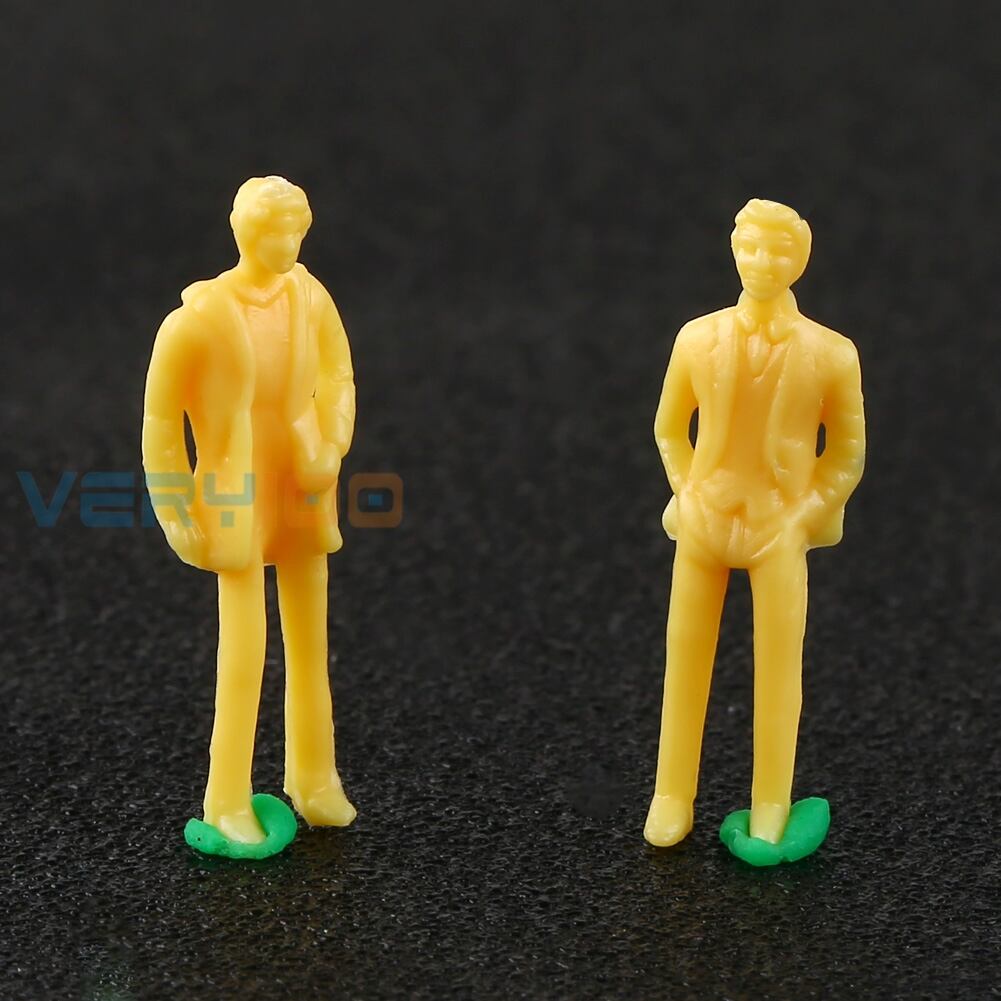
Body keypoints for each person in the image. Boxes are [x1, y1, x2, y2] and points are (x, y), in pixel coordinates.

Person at [143, 176, 356, 849]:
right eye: (275, 232)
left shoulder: (309, 295)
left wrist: (331, 444)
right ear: (244, 233)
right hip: (233, 492)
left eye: (297, 230)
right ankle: (226, 797)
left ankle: (314, 777)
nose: (288, 244)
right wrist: (175, 510)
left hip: (301, 479)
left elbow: (339, 375)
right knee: (245, 648)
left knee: (310, 640)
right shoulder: (196, 319)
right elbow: (160, 423)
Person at [646, 199, 865, 852]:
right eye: (751, 247)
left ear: (799, 260)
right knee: (684, 657)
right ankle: (670, 794)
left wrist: (804, 515)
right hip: (704, 519)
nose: (762, 262)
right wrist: (687, 490)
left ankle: (770, 801)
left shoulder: (831, 353)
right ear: (734, 250)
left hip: (778, 528)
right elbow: (669, 428)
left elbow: (846, 452)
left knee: (778, 669)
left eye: (778, 251)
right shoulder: (696, 338)